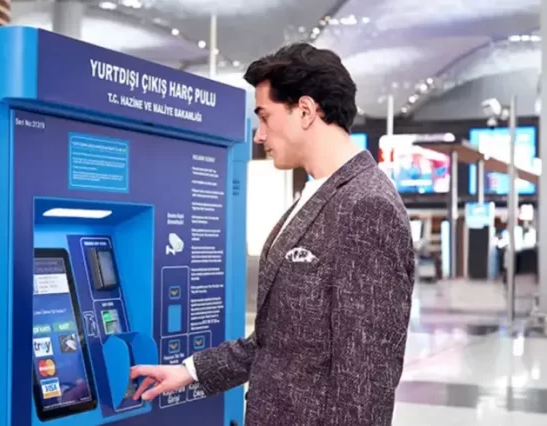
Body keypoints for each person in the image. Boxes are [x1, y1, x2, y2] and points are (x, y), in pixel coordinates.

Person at [130, 42, 416, 425]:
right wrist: (189, 371)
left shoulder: (366, 205)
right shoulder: (317, 195)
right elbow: (278, 341)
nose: (259, 135)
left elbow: (364, 379)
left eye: (265, 117)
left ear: (305, 111)